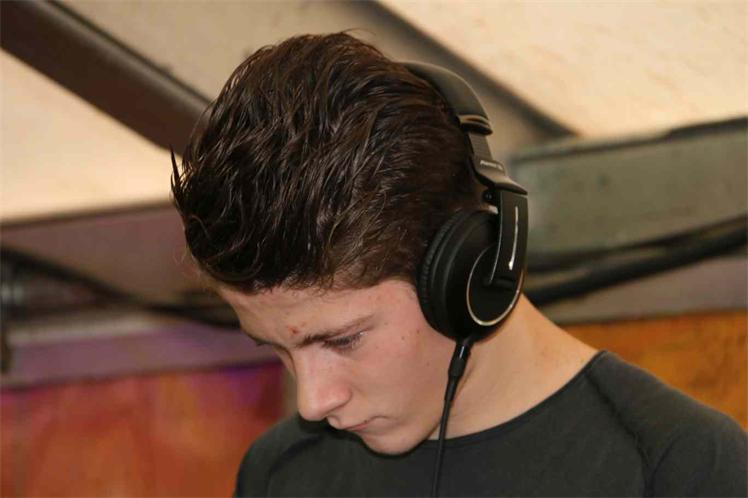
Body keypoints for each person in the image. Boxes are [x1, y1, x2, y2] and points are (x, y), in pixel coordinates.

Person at [171, 32, 747, 497]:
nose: (314, 402)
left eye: (344, 340)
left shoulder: (678, 468)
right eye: (276, 347)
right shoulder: (280, 475)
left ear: (466, 272)